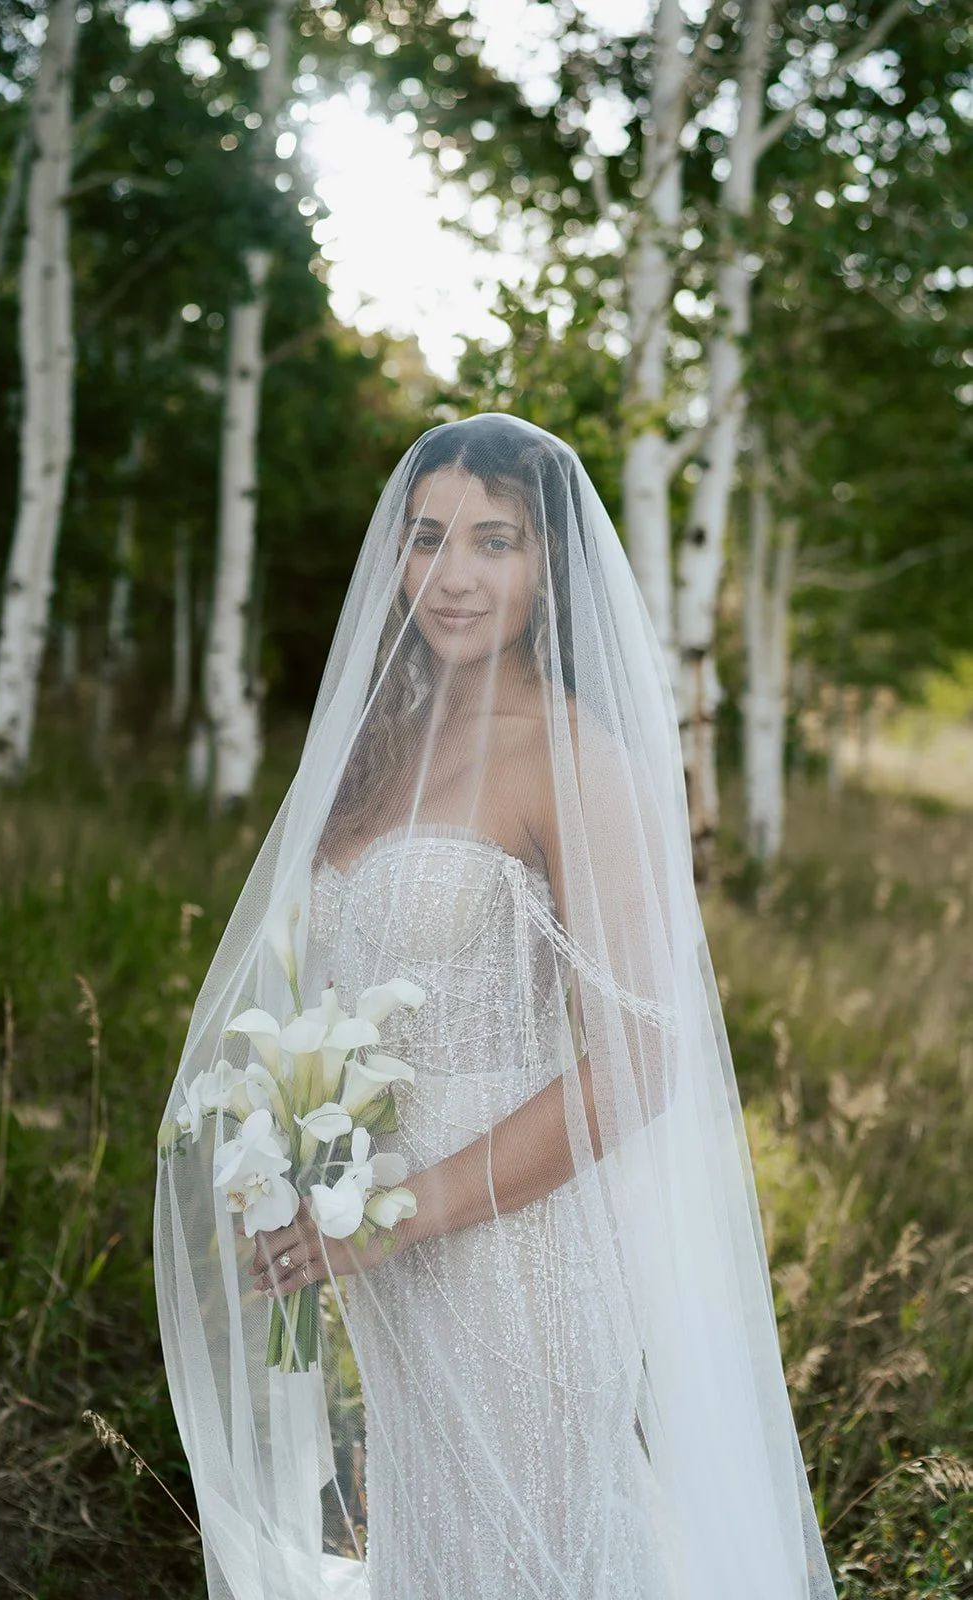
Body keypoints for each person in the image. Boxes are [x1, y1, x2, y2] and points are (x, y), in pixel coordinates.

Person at [155, 415, 837, 1600]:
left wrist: (397, 1210)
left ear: (546, 567)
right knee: (436, 1549)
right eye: (426, 538)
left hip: (513, 1264)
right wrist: (304, 1168)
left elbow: (636, 1057)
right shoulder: (384, 741)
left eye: (494, 541)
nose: (452, 574)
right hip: (384, 1258)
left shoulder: (576, 761)